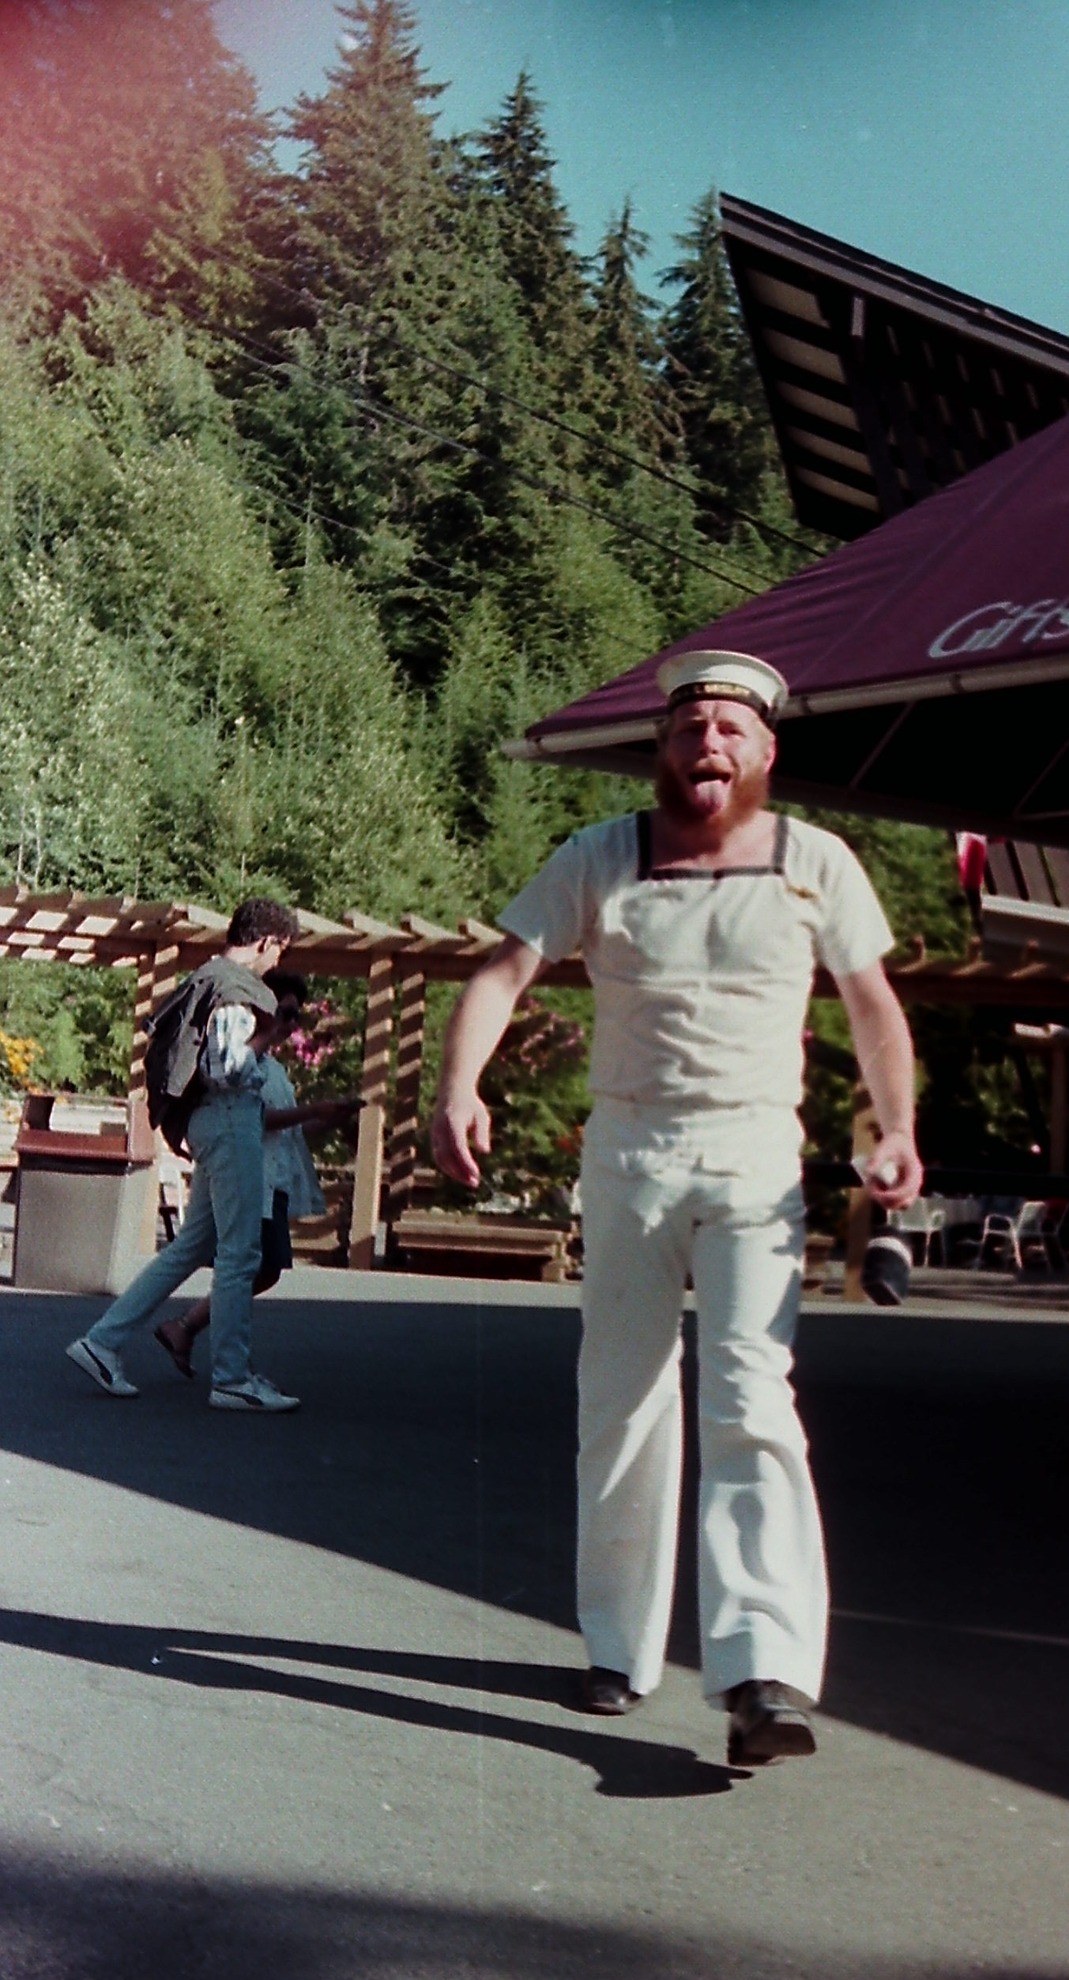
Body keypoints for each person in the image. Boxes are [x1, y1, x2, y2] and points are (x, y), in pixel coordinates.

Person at [431, 649, 922, 1767]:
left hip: (755, 1156)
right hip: (632, 1153)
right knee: (623, 1395)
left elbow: (871, 1003)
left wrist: (894, 1126)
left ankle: (763, 1671)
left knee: (751, 1393)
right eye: (690, 727)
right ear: (662, 746)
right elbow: (503, 971)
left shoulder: (817, 860)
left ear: (765, 752)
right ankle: (619, 1646)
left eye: (730, 730)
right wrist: (458, 1089)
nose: (709, 744)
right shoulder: (599, 855)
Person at [65, 897, 307, 1413]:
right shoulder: (238, 989)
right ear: (268, 941)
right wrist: (264, 1038)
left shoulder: (207, 978)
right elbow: (228, 1069)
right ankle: (232, 1377)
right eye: (280, 950)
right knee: (242, 1254)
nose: (277, 962)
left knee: (192, 1245)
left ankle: (103, 1341)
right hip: (231, 1117)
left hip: (207, 1121)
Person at [153, 973, 360, 1375]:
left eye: (296, 1017)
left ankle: (188, 1331)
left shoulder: (274, 1069)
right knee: (249, 1266)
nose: (289, 1024)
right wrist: (312, 1110)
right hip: (250, 1175)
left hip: (273, 1177)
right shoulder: (239, 1063)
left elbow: (289, 1128)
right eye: (285, 1013)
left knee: (255, 1267)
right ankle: (214, 1354)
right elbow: (256, 1120)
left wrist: (329, 1118)